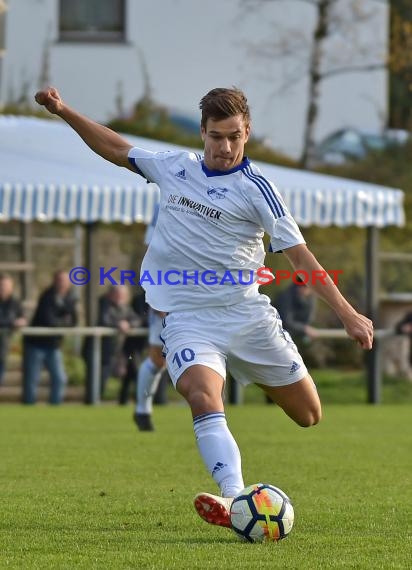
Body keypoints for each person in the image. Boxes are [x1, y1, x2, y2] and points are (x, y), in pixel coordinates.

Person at [35, 86, 373, 530]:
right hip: (188, 319)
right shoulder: (175, 168)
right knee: (201, 395)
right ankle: (234, 499)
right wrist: (63, 110)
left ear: (247, 132)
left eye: (234, 136)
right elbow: (116, 147)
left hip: (246, 315)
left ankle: (250, 410)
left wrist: (347, 313)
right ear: (202, 133)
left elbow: (301, 258)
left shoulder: (259, 190)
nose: (225, 147)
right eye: (216, 136)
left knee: (309, 415)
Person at [133, 203, 168, 432]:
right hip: (168, 292)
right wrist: (154, 293)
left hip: (201, 290)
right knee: (158, 359)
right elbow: (149, 250)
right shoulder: (163, 205)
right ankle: (142, 409)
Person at [23, 270, 78, 404]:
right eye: (59, 280)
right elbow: (48, 320)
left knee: (59, 378)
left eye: (64, 280)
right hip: (36, 344)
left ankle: (55, 405)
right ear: (54, 281)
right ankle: (29, 406)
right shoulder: (47, 296)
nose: (62, 283)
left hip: (53, 345)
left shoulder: (70, 298)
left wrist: (63, 322)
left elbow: (74, 321)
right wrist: (64, 321)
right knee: (32, 379)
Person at [85, 285, 141, 398]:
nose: (120, 297)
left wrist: (128, 324)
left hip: (111, 353)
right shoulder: (104, 304)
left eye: (123, 295)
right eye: (118, 294)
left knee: (105, 381)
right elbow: (105, 320)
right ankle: (91, 404)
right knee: (96, 383)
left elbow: (137, 320)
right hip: (97, 351)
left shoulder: (125, 307)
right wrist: (119, 324)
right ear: (111, 295)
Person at [0, 273, 27, 385]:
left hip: (2, 349)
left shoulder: (15, 302)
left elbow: (22, 318)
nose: (4, 288)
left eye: (6, 286)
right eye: (2, 285)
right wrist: (12, 323)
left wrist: (21, 321)